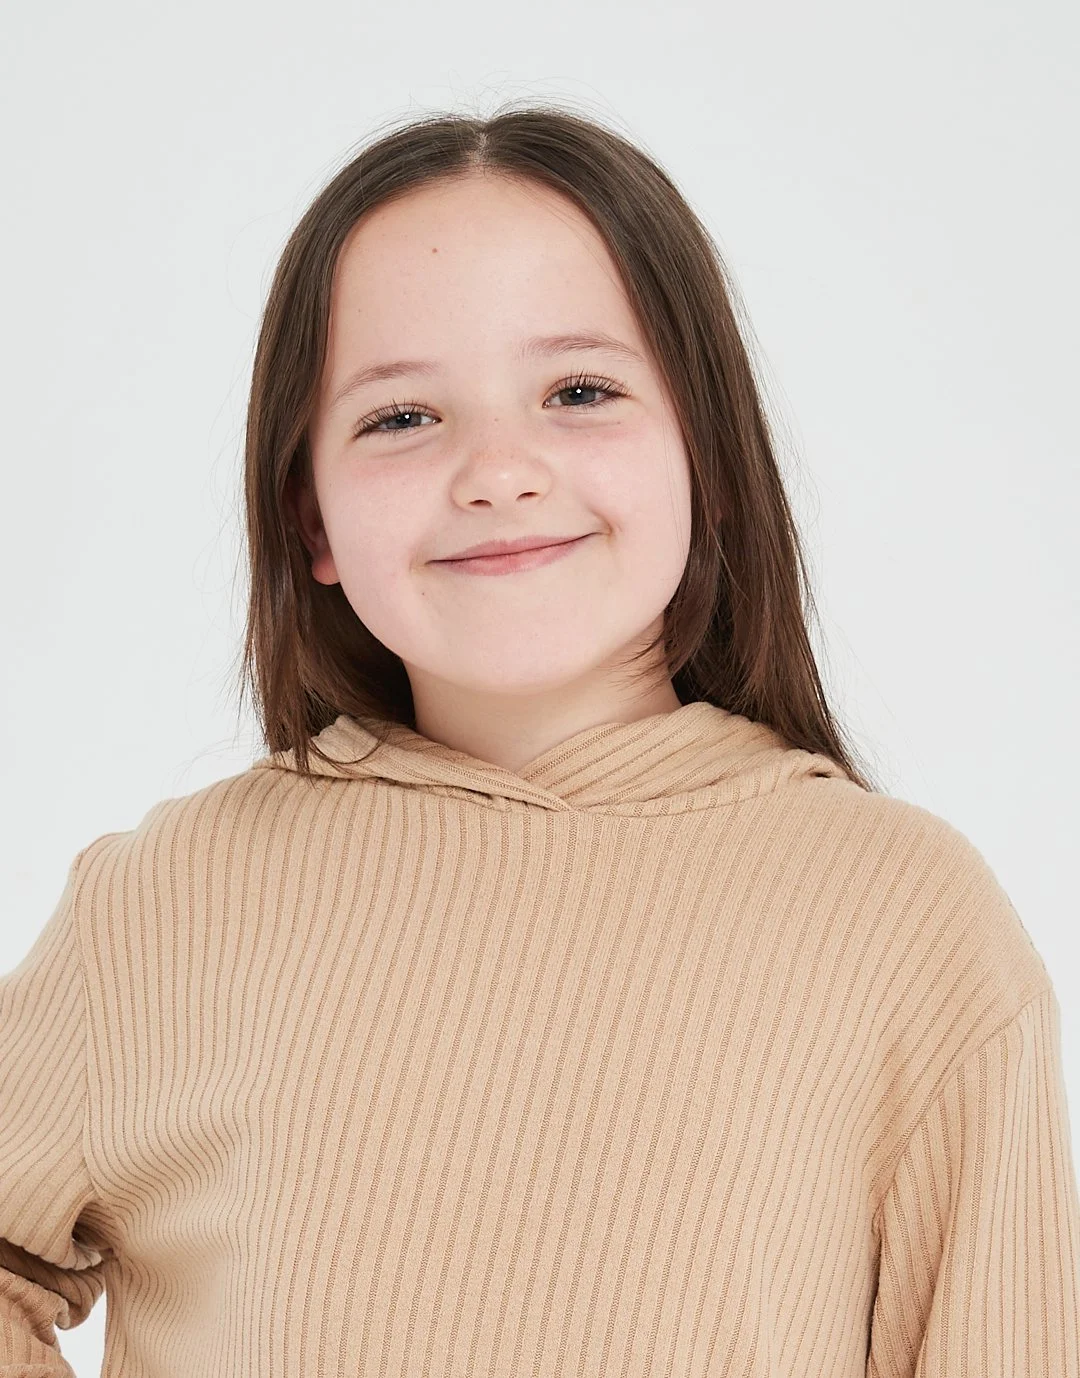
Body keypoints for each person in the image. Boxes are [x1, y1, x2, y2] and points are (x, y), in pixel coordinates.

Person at [2, 103, 1077, 1378]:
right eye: (401, 417)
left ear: (709, 460)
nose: (499, 470)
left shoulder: (907, 917)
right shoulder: (161, 903)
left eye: (580, 391)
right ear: (314, 519)